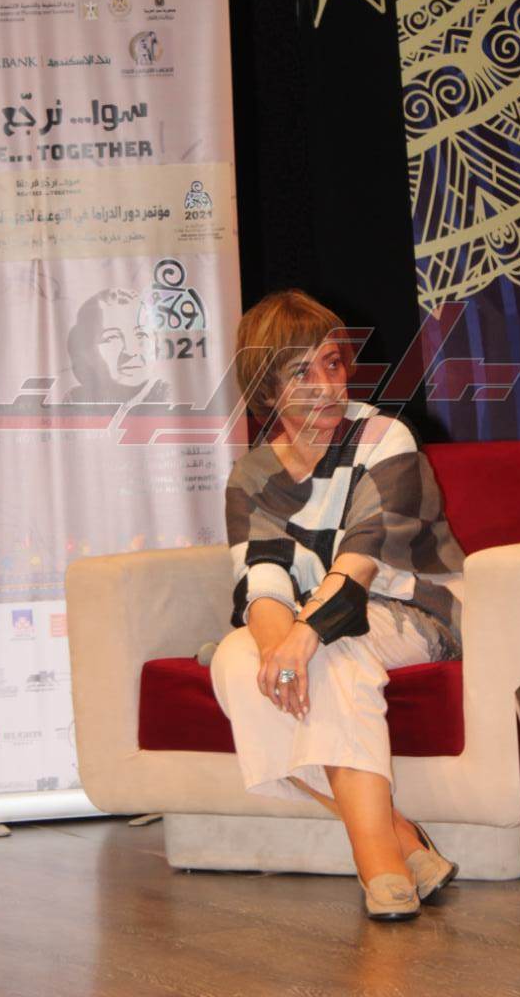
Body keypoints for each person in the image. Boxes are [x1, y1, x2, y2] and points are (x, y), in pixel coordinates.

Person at [210, 288, 465, 920]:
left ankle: (377, 862)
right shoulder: (253, 476)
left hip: (419, 613)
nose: (326, 386)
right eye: (301, 372)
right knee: (234, 660)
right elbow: (263, 581)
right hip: (318, 622)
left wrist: (302, 640)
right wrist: (278, 646)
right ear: (267, 390)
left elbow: (361, 558)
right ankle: (404, 842)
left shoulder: (383, 437)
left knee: (331, 651)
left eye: (331, 363)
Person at [65, 286, 169, 405]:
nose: (131, 351)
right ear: (86, 351)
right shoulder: (75, 400)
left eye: (141, 335)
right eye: (112, 337)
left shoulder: (170, 398)